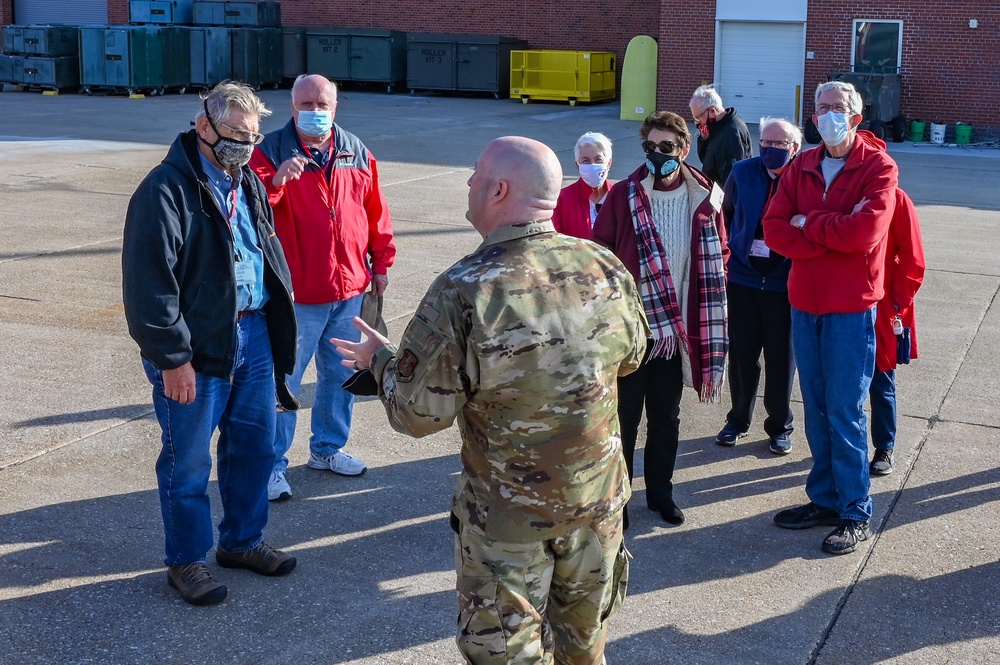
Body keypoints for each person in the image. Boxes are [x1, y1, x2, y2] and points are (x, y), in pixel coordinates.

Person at [332, 136, 648, 664]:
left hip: (508, 525)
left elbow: (417, 412)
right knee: (585, 647)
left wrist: (380, 361)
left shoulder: (465, 288)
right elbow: (633, 355)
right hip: (596, 508)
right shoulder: (603, 265)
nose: (470, 182)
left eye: (477, 173)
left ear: (499, 190)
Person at [122, 82, 298, 606]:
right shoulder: (165, 189)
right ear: (204, 126)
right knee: (189, 462)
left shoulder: (243, 182)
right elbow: (149, 284)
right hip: (197, 349)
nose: (245, 145)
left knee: (254, 449)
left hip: (254, 334)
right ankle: (187, 561)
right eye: (235, 134)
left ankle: (242, 542)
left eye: (253, 135)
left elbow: (261, 250)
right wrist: (172, 358)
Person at [764, 81, 898, 556]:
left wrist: (810, 222)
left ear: (856, 117)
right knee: (816, 410)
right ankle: (824, 499)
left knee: (844, 410)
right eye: (821, 108)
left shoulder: (878, 166)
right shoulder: (802, 164)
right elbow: (775, 228)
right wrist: (826, 229)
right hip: (806, 303)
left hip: (850, 308)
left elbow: (865, 234)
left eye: (837, 108)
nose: (827, 115)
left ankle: (855, 510)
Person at [251, 73, 396, 501]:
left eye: (323, 104)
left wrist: (381, 262)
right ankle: (273, 465)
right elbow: (252, 207)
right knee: (285, 380)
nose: (315, 111)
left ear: (335, 106)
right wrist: (277, 181)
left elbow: (376, 212)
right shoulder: (270, 151)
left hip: (350, 287)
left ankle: (328, 449)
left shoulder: (355, 150)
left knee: (341, 374)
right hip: (296, 293)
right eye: (306, 103)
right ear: (292, 106)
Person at [592, 111, 729, 526]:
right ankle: (620, 499)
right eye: (649, 147)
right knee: (626, 418)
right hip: (634, 330)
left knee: (666, 419)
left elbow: (720, 251)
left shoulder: (707, 196)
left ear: (684, 150)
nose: (656, 155)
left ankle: (661, 494)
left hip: (677, 330)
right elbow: (601, 251)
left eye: (665, 147)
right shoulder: (624, 194)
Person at [716, 117, 801, 455]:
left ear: (794, 148)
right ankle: (737, 419)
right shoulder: (742, 172)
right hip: (744, 278)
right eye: (765, 142)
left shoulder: (802, 176)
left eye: (779, 144)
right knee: (742, 355)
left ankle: (780, 426)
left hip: (784, 282)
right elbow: (727, 213)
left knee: (782, 357)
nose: (770, 149)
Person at [869, 187, 925, 476]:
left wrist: (895, 303)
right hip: (843, 302)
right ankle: (840, 445)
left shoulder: (897, 197)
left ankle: (884, 447)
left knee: (881, 380)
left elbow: (914, 261)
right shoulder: (839, 186)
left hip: (882, 304)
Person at [551, 131, 614, 239]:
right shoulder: (562, 199)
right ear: (577, 165)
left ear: (609, 163)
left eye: (598, 159)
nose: (592, 164)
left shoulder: (620, 198)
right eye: (586, 160)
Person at [689, 84, 752, 188]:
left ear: (712, 111)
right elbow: (707, 161)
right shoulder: (717, 126)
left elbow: (731, 179)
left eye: (698, 117)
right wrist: (704, 140)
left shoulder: (731, 134)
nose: (697, 123)